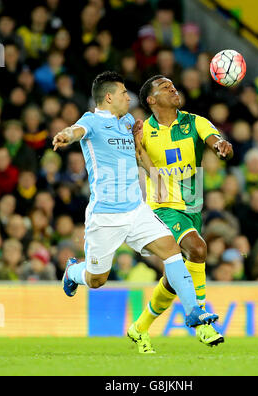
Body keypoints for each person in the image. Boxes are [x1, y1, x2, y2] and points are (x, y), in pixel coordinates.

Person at [52, 71, 218, 353]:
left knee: (173, 253)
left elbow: (139, 154)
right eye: (123, 93)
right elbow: (76, 131)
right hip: (105, 216)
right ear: (108, 97)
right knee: (96, 279)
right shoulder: (91, 122)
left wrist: (155, 173)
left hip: (136, 210)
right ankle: (73, 272)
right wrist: (66, 135)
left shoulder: (128, 122)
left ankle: (196, 314)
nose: (128, 97)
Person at [129, 74, 234, 350]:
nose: (173, 89)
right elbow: (142, 161)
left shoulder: (195, 122)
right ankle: (202, 323)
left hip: (191, 207)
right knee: (197, 249)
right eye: (166, 87)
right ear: (152, 100)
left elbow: (215, 140)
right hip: (163, 207)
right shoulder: (145, 130)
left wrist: (222, 147)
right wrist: (137, 146)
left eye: (174, 85)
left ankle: (140, 328)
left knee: (174, 280)